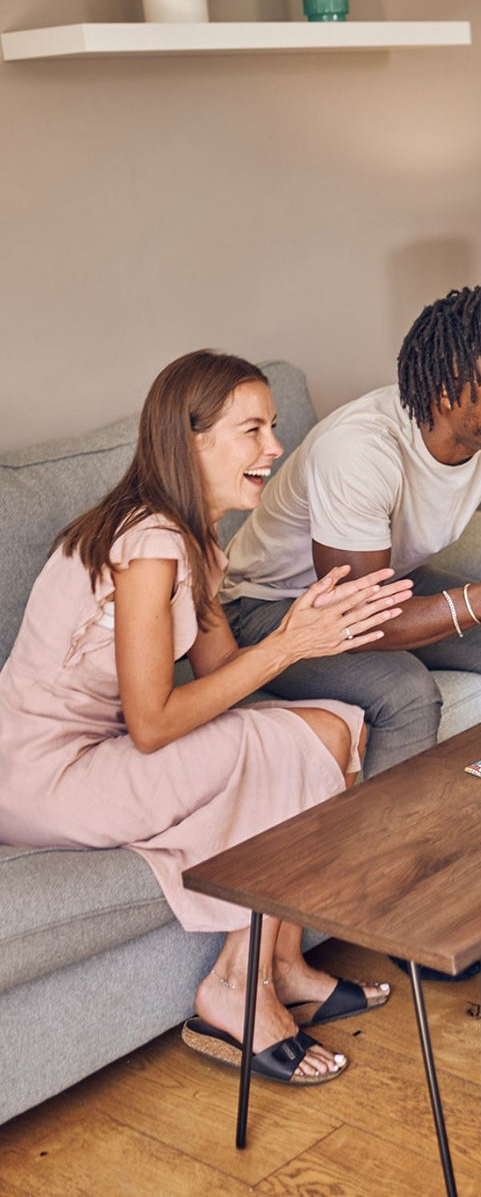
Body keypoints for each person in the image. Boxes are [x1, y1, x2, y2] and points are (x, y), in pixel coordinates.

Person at [0, 351, 412, 1086]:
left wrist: (304, 633)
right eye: (252, 430)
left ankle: (282, 964)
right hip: (44, 776)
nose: (275, 448)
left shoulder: (193, 540)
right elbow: (155, 724)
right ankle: (235, 988)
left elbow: (225, 681)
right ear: (189, 443)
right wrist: (287, 647)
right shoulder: (149, 547)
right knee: (304, 736)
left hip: (104, 753)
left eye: (273, 427)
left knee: (338, 721)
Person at [221, 269, 481, 783]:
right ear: (447, 390)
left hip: (381, 581)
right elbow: (353, 617)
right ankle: (394, 858)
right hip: (273, 607)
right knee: (406, 692)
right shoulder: (360, 449)